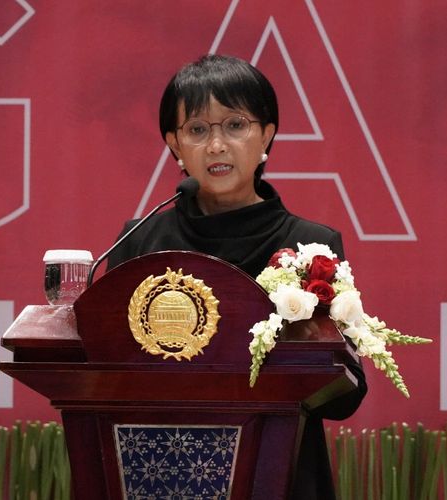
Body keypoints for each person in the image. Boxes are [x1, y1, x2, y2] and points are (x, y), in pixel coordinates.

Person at [107, 54, 367, 499]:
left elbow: (346, 396)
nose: (216, 146)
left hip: (279, 472)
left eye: (235, 125)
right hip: (158, 472)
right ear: (174, 144)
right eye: (197, 130)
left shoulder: (312, 249)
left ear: (266, 134)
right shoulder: (140, 241)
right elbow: (105, 372)